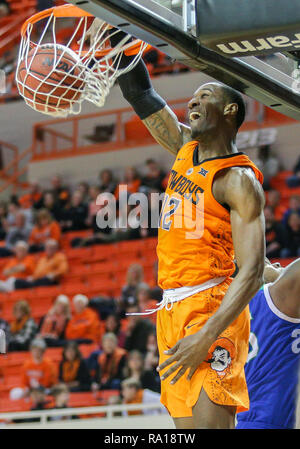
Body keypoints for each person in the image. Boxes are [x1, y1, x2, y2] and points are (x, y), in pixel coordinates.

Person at [105, 27, 265, 429]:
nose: (193, 101)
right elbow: (142, 95)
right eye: (192, 98)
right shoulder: (184, 150)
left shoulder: (238, 180)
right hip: (171, 308)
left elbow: (253, 271)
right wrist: (115, 30)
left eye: (205, 96)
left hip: (210, 309)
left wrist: (206, 335)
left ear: (230, 112)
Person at [236, 258, 300, 429]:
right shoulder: (274, 298)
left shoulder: (231, 313)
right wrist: (279, 274)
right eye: (267, 262)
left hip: (247, 419)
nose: (278, 264)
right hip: (274, 419)